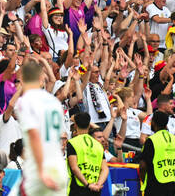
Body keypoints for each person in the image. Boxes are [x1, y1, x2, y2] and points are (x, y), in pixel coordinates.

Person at [15, 60, 67, 196]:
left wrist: (41, 171)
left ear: (22, 80)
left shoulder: (26, 101)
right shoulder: (54, 102)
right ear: (41, 79)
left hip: (39, 170)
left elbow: (34, 135)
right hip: (60, 167)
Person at [66, 112, 108, 196]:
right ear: (89, 126)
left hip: (78, 189)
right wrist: (98, 184)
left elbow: (74, 168)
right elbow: (105, 169)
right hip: (95, 190)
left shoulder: (72, 142)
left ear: (75, 126)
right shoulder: (98, 145)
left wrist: (88, 185)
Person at [138, 111, 175, 196]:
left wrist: (143, 180)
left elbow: (142, 166)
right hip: (172, 183)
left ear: (154, 122)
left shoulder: (151, 140)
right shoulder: (174, 139)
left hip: (155, 185)